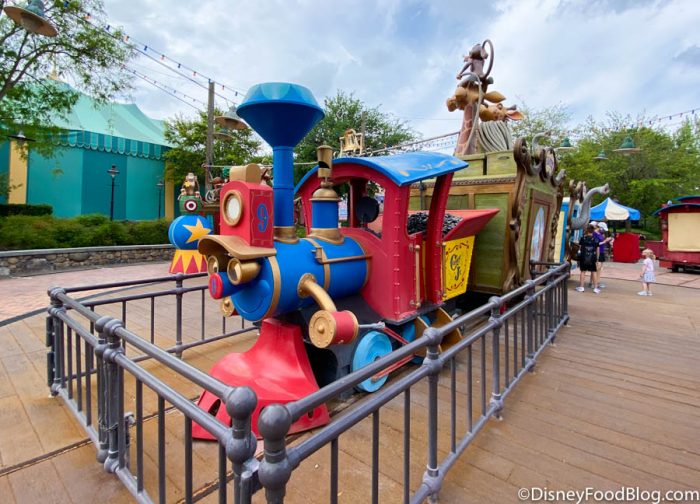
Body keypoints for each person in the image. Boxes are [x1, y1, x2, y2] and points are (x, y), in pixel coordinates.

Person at [576, 224, 601, 293]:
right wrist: (597, 259)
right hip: (592, 257)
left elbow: (580, 248)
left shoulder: (582, 238)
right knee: (594, 272)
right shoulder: (596, 239)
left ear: (586, 230)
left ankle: (581, 287)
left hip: (584, 257)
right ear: (593, 231)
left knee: (583, 271)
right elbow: (598, 250)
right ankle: (595, 288)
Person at [594, 222, 614, 288]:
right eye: (603, 229)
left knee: (600, 268)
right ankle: (595, 283)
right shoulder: (595, 233)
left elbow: (601, 242)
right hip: (598, 252)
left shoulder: (600, 234)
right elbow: (596, 244)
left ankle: (597, 282)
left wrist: (607, 240)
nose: (604, 231)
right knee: (597, 268)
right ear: (600, 227)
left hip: (601, 251)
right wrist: (605, 241)